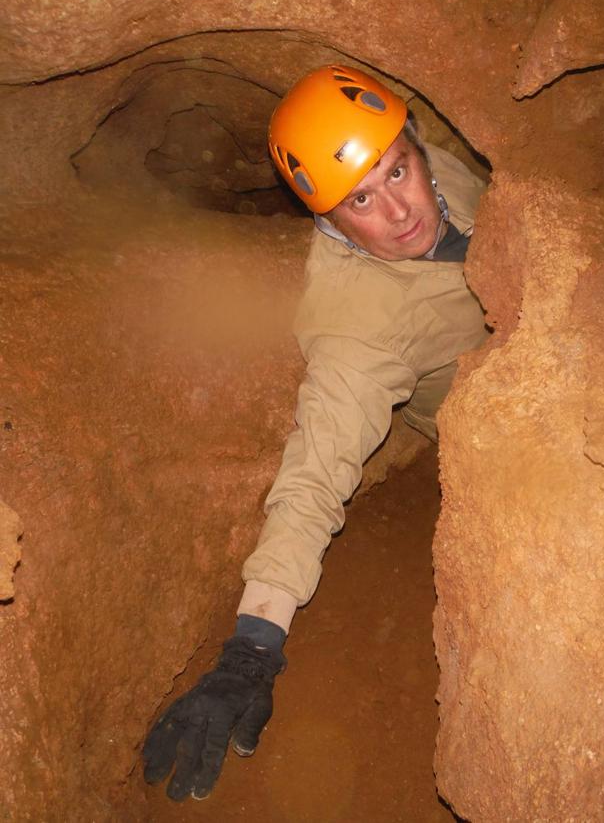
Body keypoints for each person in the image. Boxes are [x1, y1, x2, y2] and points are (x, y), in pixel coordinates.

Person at [142, 64, 488, 801]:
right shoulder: (357, 332)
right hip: (490, 412)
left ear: (416, 145)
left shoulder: (436, 172)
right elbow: (313, 474)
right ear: (328, 220)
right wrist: (251, 650)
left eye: (397, 170)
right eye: (360, 200)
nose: (399, 211)